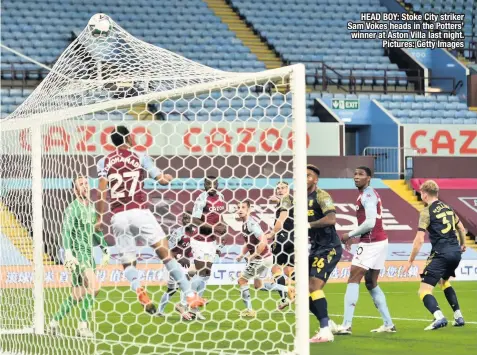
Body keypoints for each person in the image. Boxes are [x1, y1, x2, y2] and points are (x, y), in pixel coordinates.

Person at [96, 125, 205, 315]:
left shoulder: (103, 161)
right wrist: (167, 177)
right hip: (139, 211)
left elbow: (101, 191)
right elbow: (161, 179)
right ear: (129, 137)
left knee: (129, 263)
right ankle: (189, 294)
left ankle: (139, 290)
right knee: (165, 254)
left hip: (118, 216)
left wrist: (99, 217)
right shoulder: (140, 156)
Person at [337, 166, 395, 335]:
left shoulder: (368, 195)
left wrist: (349, 234)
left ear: (369, 178)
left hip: (371, 243)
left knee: (354, 277)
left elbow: (370, 223)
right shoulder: (367, 194)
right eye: (355, 174)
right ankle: (388, 324)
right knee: (371, 282)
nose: (356, 177)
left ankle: (346, 325)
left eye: (361, 174)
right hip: (380, 241)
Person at [49, 176, 110, 337]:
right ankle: (82, 327)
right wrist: (68, 252)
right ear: (75, 190)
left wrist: (105, 249)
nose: (85, 187)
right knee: (95, 287)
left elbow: (95, 230)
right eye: (81, 184)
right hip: (78, 255)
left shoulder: (91, 207)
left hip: (89, 256)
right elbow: (66, 231)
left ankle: (53, 323)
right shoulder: (72, 208)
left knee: (78, 294)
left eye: (86, 184)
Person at [404, 180, 467, 330]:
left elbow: (419, 239)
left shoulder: (426, 212)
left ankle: (439, 317)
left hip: (441, 253)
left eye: (421, 194)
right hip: (455, 253)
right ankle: (458, 316)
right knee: (444, 282)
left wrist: (410, 260)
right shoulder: (448, 208)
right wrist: (463, 244)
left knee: (424, 290)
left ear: (425, 195)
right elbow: (461, 228)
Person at [235, 200, 292, 318]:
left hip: (261, 259)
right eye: (238, 207)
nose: (240, 209)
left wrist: (254, 255)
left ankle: (249, 310)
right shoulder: (245, 224)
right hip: (266, 258)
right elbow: (249, 243)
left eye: (243, 207)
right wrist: (242, 254)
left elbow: (264, 241)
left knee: (242, 280)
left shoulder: (251, 224)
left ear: (249, 210)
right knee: (258, 285)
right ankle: (288, 289)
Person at [306, 164, 342, 343]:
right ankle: (328, 323)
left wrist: (309, 225)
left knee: (314, 287)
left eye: (309, 176)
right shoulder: (298, 198)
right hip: (315, 248)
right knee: (303, 292)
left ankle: (325, 331)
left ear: (315, 180)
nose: (305, 178)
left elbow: (331, 218)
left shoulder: (322, 195)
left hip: (329, 247)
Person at [189, 176, 227, 320]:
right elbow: (194, 219)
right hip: (199, 239)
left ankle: (196, 306)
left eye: (214, 184)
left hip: (211, 240)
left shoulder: (221, 197)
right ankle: (188, 304)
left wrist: (223, 228)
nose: (211, 186)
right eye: (208, 184)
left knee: (206, 274)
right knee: (200, 272)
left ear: (217, 184)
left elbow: (219, 217)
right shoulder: (201, 198)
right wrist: (214, 228)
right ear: (204, 185)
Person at [156, 211, 197, 320]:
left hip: (185, 263)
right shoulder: (178, 233)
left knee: (174, 289)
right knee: (181, 285)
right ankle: (183, 309)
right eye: (184, 218)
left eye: (188, 218)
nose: (186, 220)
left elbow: (190, 249)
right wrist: (180, 256)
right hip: (173, 262)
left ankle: (161, 311)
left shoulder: (195, 233)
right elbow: (167, 249)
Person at [266, 181, 295, 310]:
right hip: (294, 238)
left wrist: (272, 233)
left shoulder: (286, 200)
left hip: (282, 238)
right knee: (289, 270)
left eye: (283, 188)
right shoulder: (289, 200)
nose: (280, 190)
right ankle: (306, 288)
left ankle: (284, 298)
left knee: (275, 269)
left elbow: (283, 217)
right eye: (278, 188)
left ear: (288, 188)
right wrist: (277, 201)